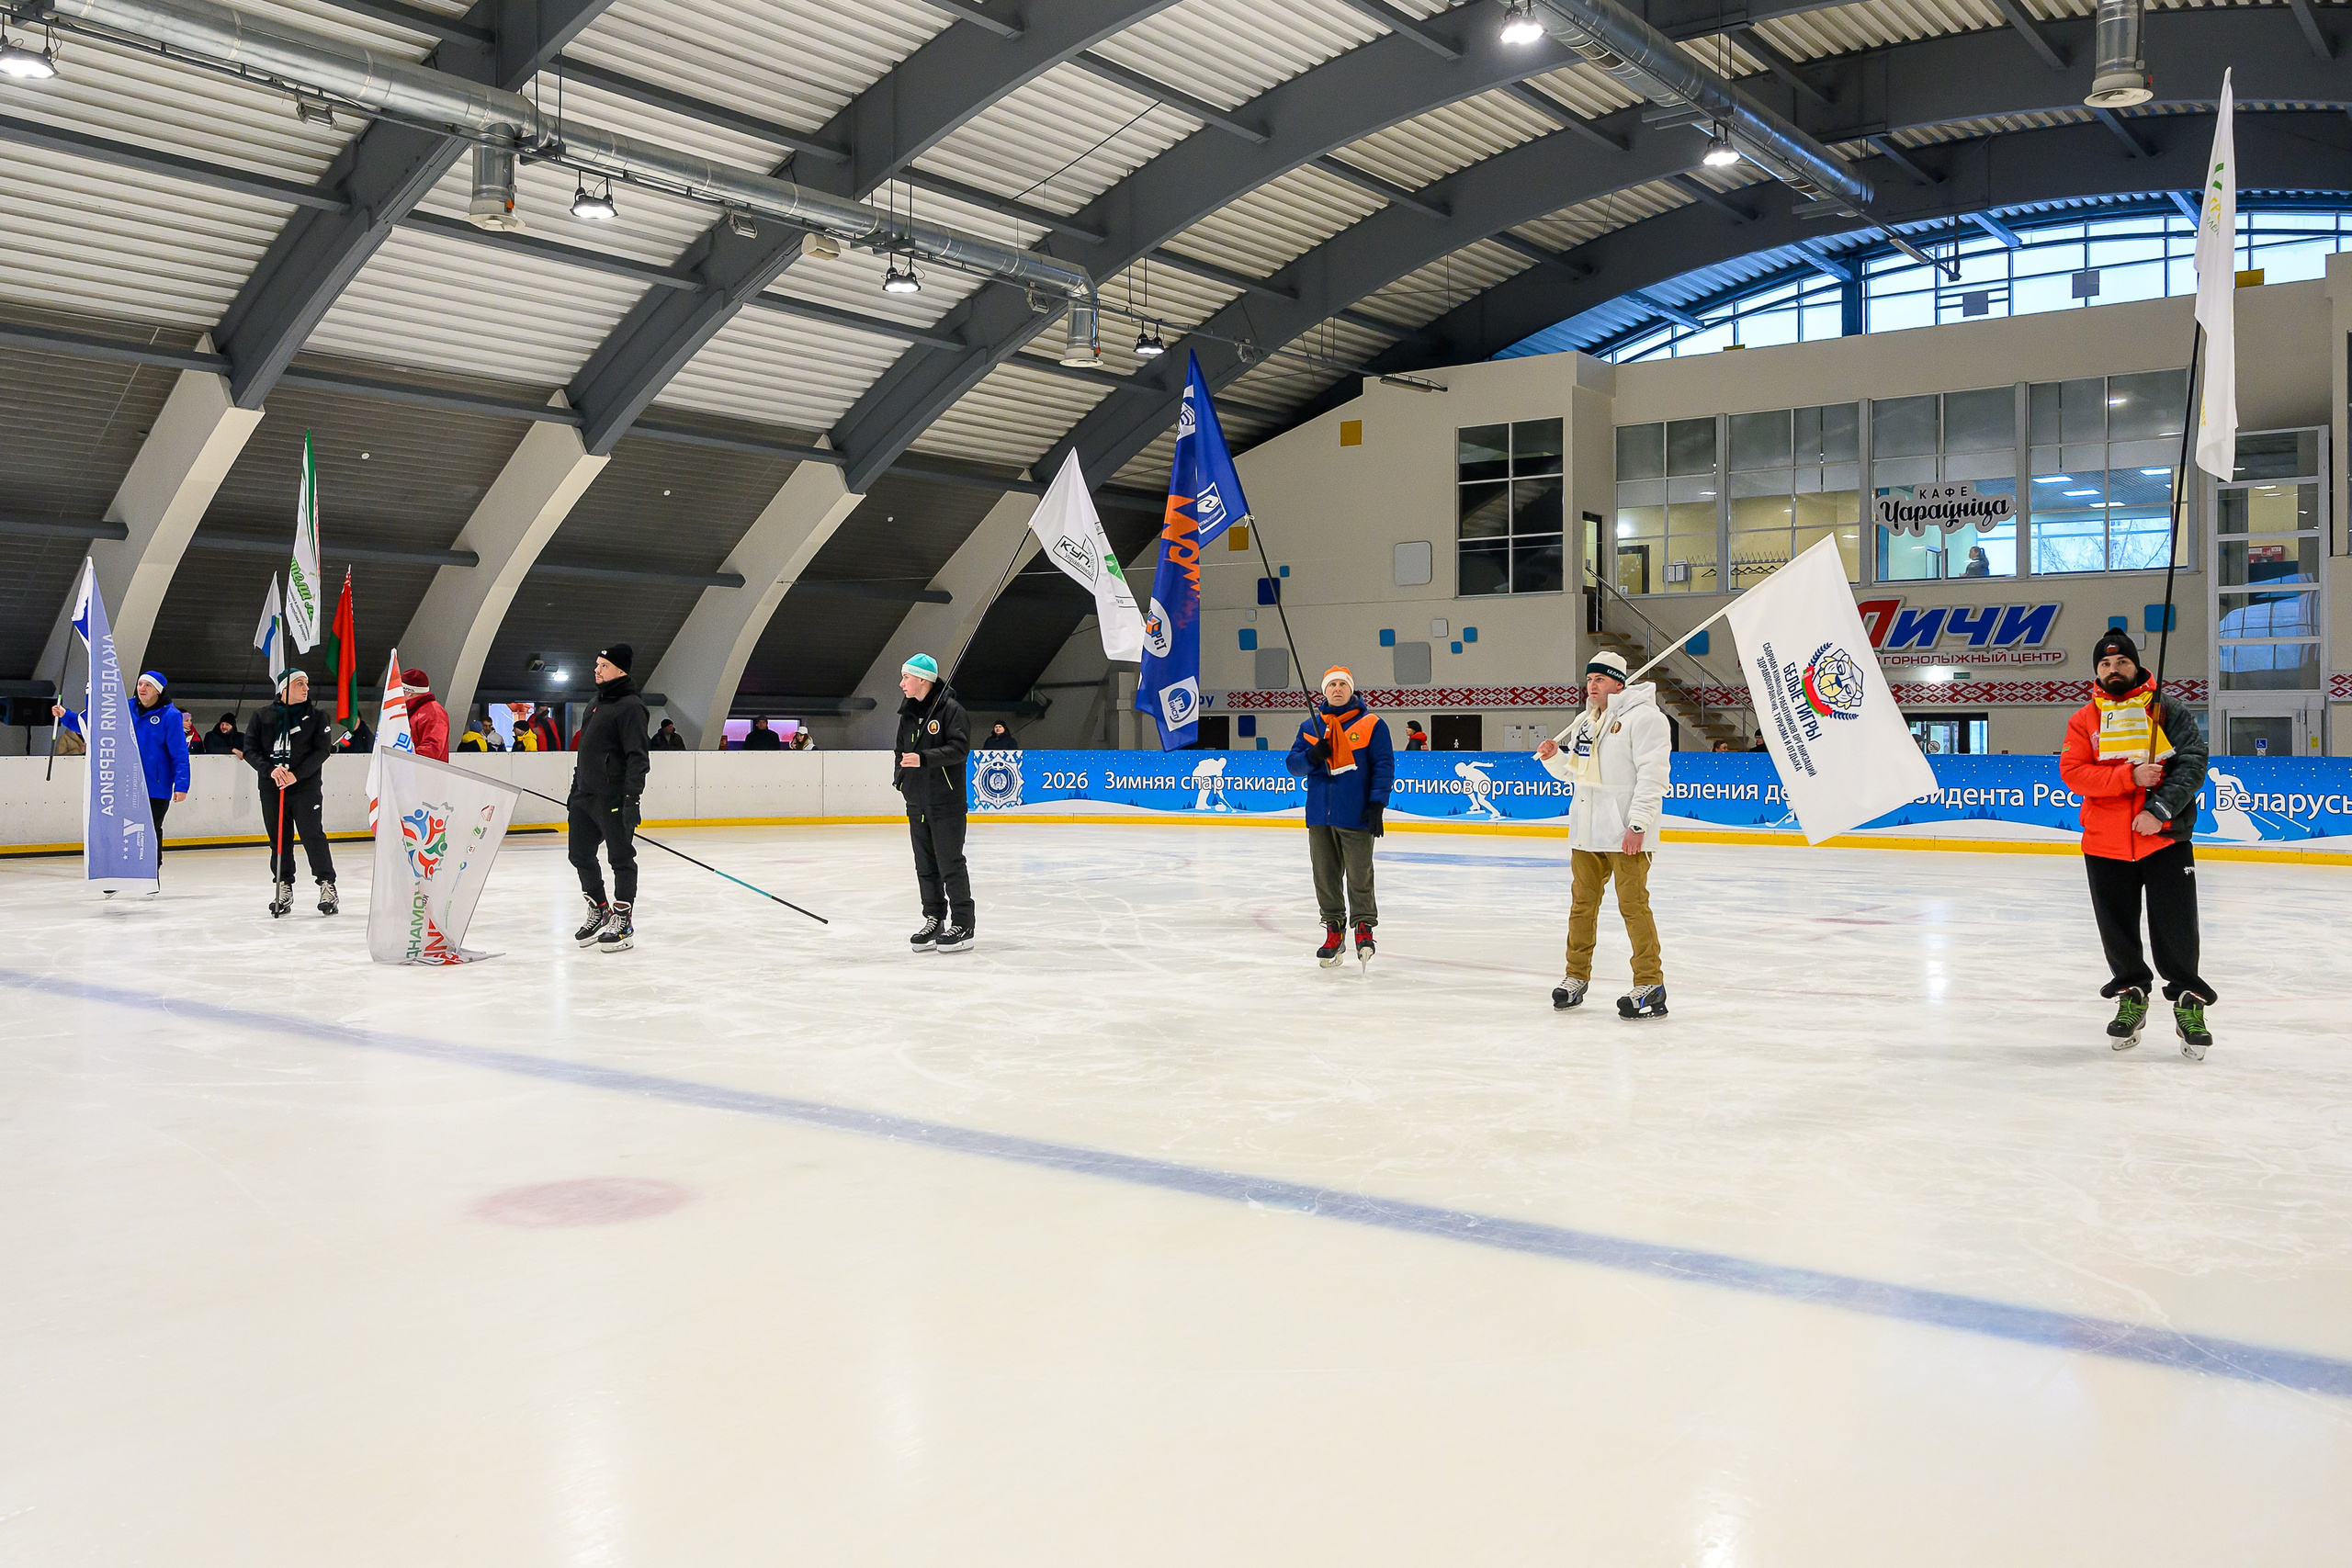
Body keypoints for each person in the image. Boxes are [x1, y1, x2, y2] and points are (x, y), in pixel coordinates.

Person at [2059, 629, 2215, 1059]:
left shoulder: (2166, 710)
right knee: (2116, 927)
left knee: (2177, 926)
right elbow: (2074, 774)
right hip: (2105, 843)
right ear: (2097, 672)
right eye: (2105, 665)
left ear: (2136, 665)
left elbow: (2194, 763)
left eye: (2121, 662)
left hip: (2163, 840)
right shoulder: (2084, 719)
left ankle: (2188, 1000)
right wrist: (2128, 778)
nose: (2113, 670)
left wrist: (2160, 810)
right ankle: (2131, 993)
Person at [1537, 649, 1671, 1018]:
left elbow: (1653, 776)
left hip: (1627, 834)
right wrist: (1554, 758)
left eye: (1599, 680)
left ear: (1618, 683)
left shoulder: (1646, 720)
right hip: (1587, 834)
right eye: (1588, 680)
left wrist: (1639, 824)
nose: (1591, 686)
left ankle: (1650, 982)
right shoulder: (1585, 721)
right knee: (1581, 908)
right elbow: (1578, 774)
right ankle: (1575, 978)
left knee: (1633, 907)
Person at [1285, 666, 1395, 967]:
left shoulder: (1372, 724)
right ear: (1324, 691)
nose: (1336, 689)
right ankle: (1334, 929)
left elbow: (1383, 766)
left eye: (1342, 685)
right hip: (1320, 814)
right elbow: (1293, 765)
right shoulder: (1311, 727)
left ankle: (1363, 927)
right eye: (1331, 685)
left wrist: (1377, 805)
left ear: (1351, 689)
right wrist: (1312, 756)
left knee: (1360, 874)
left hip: (1356, 813)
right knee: (1324, 876)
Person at [567, 645, 650, 953]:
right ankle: (599, 908)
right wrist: (575, 789)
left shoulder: (631, 707)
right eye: (597, 664)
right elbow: (584, 752)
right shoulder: (595, 704)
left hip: (613, 797)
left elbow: (637, 757)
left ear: (620, 670)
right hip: (585, 796)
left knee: (620, 859)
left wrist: (632, 799)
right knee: (579, 854)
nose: (597, 670)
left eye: (603, 665)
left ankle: (623, 920)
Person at [55, 670, 190, 852]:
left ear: (158, 690)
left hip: (156, 787)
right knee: (124, 832)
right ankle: (128, 874)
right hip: (126, 784)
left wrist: (181, 786)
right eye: (140, 684)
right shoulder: (125, 708)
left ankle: (152, 873)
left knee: (150, 831)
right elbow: (94, 722)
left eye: (148, 685)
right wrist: (65, 715)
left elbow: (179, 754)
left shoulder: (171, 716)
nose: (142, 689)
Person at [894, 653, 975, 953]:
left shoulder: (951, 711)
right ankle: (934, 918)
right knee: (925, 865)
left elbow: (959, 748)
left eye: (906, 677)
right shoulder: (908, 716)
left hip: (946, 802)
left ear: (923, 680)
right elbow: (900, 752)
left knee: (949, 863)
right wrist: (902, 782)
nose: (902, 683)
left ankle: (963, 922)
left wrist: (925, 759)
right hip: (917, 803)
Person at [244, 669, 338, 916]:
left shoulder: (318, 717)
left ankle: (327, 884)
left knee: (312, 834)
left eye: (307, 683)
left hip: (305, 787)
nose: (306, 688)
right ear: (283, 689)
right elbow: (250, 749)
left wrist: (297, 774)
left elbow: (322, 751)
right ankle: (283, 884)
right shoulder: (262, 716)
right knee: (279, 838)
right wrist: (270, 771)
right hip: (272, 788)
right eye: (299, 684)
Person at [401, 668, 449, 761]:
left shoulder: (434, 712)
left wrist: (406, 757)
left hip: (427, 772)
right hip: (417, 770)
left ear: (410, 693)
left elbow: (434, 747)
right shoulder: (415, 710)